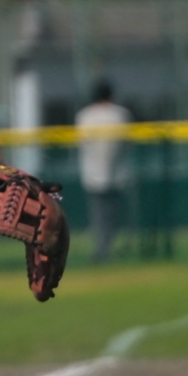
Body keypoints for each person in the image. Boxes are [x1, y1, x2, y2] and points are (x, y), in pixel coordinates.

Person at [74, 80, 131, 262]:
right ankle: (105, 248)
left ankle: (102, 248)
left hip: (94, 173)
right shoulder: (120, 114)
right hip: (117, 172)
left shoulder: (84, 115)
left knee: (99, 215)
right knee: (112, 215)